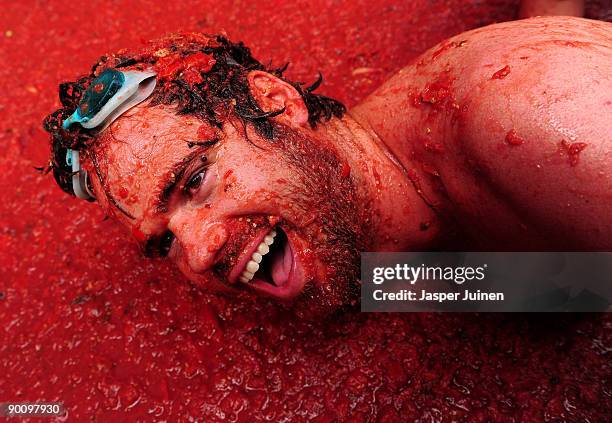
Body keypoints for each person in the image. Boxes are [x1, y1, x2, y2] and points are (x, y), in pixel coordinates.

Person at [43, 16, 612, 316]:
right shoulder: (367, 244)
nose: (197, 252)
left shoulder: (535, 125)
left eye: (194, 180)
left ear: (274, 101)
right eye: (163, 243)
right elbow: (570, 287)